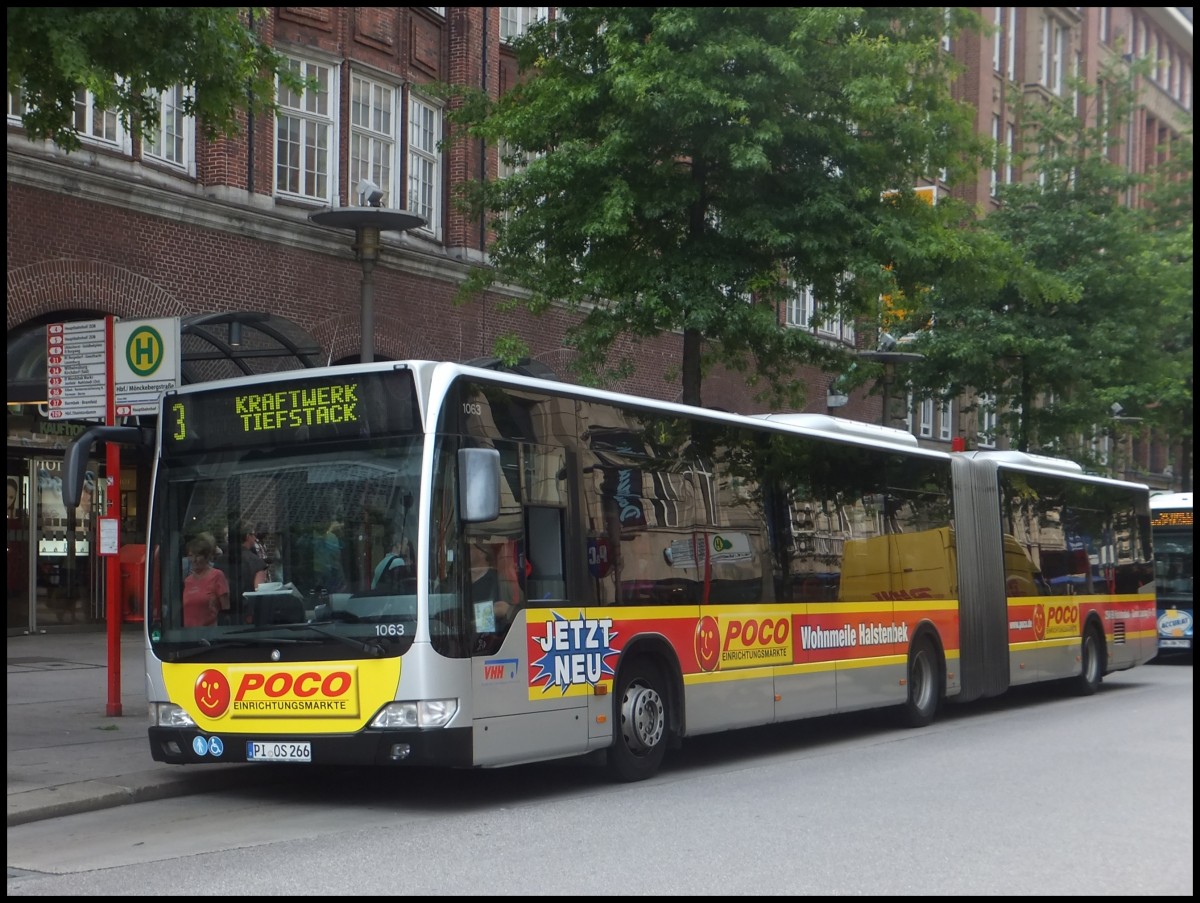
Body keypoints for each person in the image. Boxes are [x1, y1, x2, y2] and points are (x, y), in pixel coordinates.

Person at [182, 533, 230, 627]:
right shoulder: (187, 581)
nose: (194, 560)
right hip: (188, 635)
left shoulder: (217, 575)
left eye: (198, 556)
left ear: (207, 557)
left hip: (210, 634)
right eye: (191, 556)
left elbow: (226, 610)